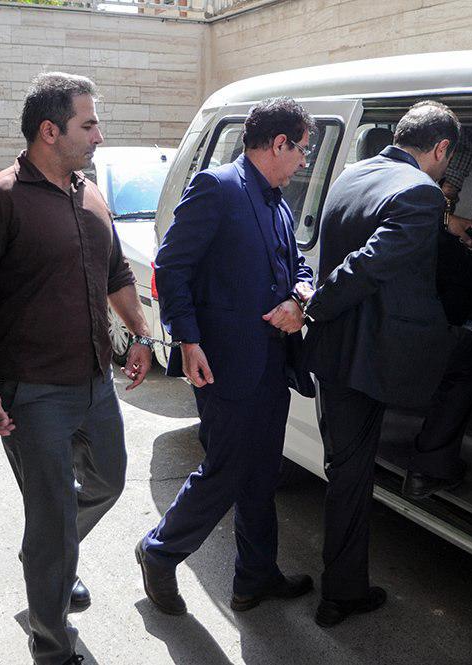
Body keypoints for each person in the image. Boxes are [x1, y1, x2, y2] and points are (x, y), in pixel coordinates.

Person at [0, 72, 152, 665]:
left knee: (108, 481)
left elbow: (116, 274)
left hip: (95, 382)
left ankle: (50, 558)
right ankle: (51, 643)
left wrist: (141, 334)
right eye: (88, 124)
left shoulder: (90, 194)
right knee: (52, 518)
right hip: (32, 393)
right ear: (49, 130)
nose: (99, 135)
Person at [302, 101, 472, 627]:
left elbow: (381, 229)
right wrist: (312, 306)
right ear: (442, 148)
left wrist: (447, 224)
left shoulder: (353, 175)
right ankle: (430, 464)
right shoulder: (422, 192)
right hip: (384, 351)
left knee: (347, 473)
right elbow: (368, 265)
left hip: (339, 350)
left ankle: (341, 593)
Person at [136, 97, 317, 618]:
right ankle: (159, 550)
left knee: (262, 473)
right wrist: (188, 341)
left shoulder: (278, 200)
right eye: (302, 149)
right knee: (227, 470)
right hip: (224, 363)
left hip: (272, 364)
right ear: (278, 143)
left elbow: (298, 266)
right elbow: (171, 266)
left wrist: (300, 298)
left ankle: (255, 577)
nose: (304, 160)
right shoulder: (217, 187)